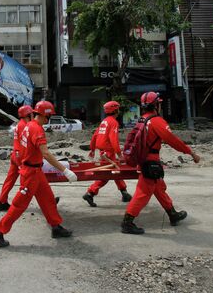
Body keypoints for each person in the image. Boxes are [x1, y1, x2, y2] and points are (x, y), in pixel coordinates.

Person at [0, 101, 78, 247]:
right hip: (31, 173)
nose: (49, 119)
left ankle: (56, 227)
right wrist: (65, 170)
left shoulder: (29, 126)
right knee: (19, 205)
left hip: (35, 170)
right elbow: (46, 153)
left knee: (48, 199)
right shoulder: (36, 129)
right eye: (49, 116)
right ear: (45, 115)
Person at [121, 92, 201, 235]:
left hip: (144, 160)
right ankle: (127, 222)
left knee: (159, 188)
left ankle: (172, 213)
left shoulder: (142, 119)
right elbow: (173, 140)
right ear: (156, 105)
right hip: (150, 161)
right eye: (159, 103)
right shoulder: (157, 121)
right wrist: (191, 152)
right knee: (143, 192)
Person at [82, 101, 132, 207]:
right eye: (118, 109)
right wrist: (119, 154)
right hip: (109, 153)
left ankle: (124, 192)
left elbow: (95, 135)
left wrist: (92, 149)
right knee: (106, 175)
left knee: (116, 172)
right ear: (115, 110)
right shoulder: (113, 122)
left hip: (103, 151)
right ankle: (90, 193)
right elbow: (114, 139)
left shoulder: (104, 121)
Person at [0, 105, 34, 211]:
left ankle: (2, 201)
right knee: (31, 181)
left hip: (15, 155)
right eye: (31, 113)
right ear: (28, 114)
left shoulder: (19, 124)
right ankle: (46, 202)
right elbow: (26, 144)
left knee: (10, 180)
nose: (33, 115)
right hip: (21, 157)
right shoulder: (25, 126)